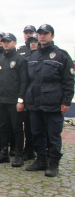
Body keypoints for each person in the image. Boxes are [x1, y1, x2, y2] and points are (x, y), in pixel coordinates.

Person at [25, 24, 74, 177]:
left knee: (53, 134)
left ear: (52, 36)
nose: (42, 36)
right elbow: (28, 80)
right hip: (35, 103)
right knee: (37, 133)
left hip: (53, 103)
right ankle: (41, 160)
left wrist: (66, 101)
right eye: (40, 34)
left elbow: (68, 80)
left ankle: (53, 163)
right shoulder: (33, 56)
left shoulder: (61, 55)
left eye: (46, 33)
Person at [0, 33, 28, 167]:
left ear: (14, 43)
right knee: (3, 128)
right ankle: (4, 153)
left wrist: (21, 100)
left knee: (17, 128)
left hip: (14, 102)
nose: (6, 43)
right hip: (1, 101)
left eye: (9, 41)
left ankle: (19, 155)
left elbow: (24, 82)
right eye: (4, 41)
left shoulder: (20, 60)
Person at [22, 33, 38, 161]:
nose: (33, 43)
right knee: (28, 127)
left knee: (42, 129)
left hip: (44, 98)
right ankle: (29, 150)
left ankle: (45, 154)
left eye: (36, 41)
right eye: (31, 41)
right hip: (28, 98)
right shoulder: (26, 59)